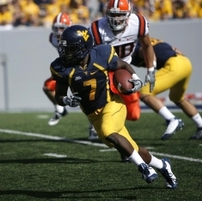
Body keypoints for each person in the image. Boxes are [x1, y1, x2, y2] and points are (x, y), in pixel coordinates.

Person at [50, 24, 178, 189]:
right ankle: (162, 165)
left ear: (84, 47)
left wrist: (135, 78)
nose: (66, 53)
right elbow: (59, 96)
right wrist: (66, 100)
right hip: (93, 116)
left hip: (112, 104)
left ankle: (144, 168)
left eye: (71, 48)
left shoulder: (101, 55)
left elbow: (123, 65)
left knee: (108, 131)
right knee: (132, 149)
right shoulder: (62, 68)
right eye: (64, 48)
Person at [131, 37, 202, 140]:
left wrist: (151, 64)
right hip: (185, 62)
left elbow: (145, 51)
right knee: (177, 98)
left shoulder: (133, 45)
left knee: (144, 92)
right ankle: (201, 126)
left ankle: (172, 119)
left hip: (174, 65)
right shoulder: (145, 39)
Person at [43, 12, 72, 126]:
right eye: (56, 28)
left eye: (62, 28)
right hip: (65, 70)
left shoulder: (75, 36)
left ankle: (93, 127)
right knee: (48, 87)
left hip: (79, 70)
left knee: (86, 100)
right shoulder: (53, 38)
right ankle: (60, 109)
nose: (59, 31)